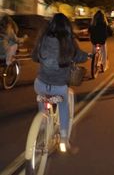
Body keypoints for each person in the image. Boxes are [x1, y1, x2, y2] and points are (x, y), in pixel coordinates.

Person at [32, 12, 91, 152]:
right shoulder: (68, 42)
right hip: (59, 87)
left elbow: (35, 56)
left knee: (41, 97)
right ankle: (64, 138)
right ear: (67, 27)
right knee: (63, 105)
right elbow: (79, 56)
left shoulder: (43, 38)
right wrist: (87, 55)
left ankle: (42, 122)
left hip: (40, 84)